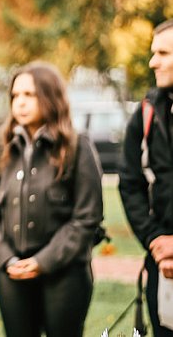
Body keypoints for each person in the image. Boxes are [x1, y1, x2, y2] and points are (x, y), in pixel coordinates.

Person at [0, 62, 103, 337]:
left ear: (50, 97)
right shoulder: (1, 146)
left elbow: (87, 216)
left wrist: (42, 261)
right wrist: (7, 258)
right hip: (12, 273)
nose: (19, 102)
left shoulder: (77, 147)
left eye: (29, 95)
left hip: (65, 275)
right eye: (15, 95)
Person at [119, 18, 173, 336]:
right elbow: (130, 182)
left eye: (164, 53)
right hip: (162, 266)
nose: (153, 62)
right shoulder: (147, 112)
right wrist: (155, 241)